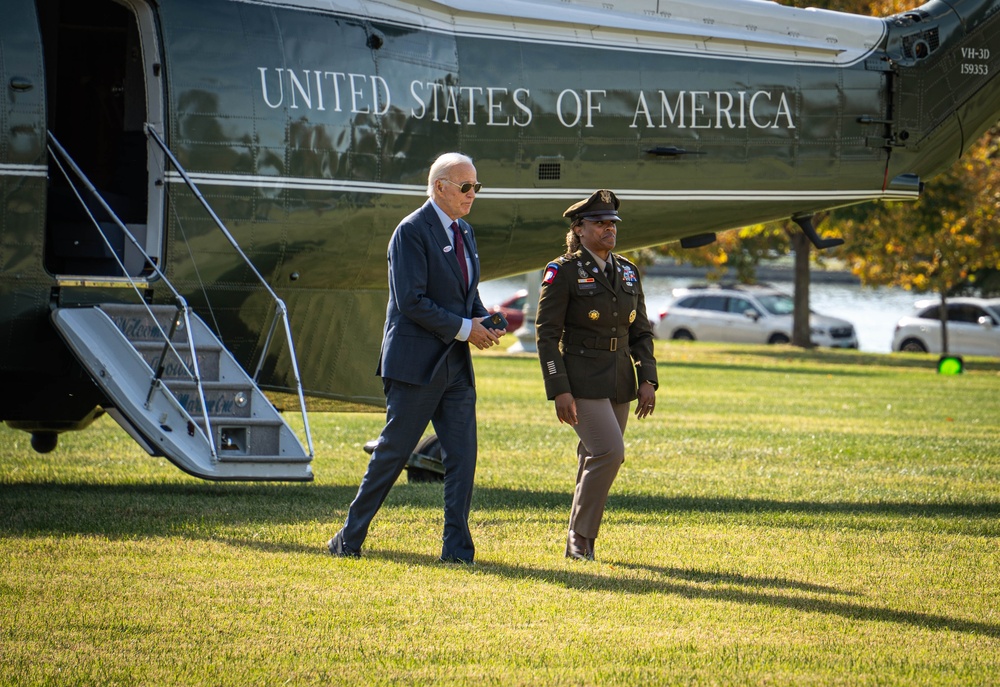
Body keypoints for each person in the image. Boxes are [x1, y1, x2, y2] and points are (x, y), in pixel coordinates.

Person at [327, 152, 504, 564]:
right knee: (393, 453)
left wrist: (482, 318)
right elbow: (412, 301)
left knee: (462, 456)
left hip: (455, 364)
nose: (472, 193)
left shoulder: (466, 232)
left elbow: (466, 294)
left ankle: (457, 551)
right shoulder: (410, 231)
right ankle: (348, 539)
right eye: (465, 186)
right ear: (439, 186)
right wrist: (466, 328)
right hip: (415, 363)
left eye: (476, 186)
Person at [535, 189, 658, 562]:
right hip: (581, 378)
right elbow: (546, 335)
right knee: (609, 452)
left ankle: (579, 539)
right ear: (579, 228)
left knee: (594, 455)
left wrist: (648, 379)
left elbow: (641, 331)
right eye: (599, 223)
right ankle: (580, 538)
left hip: (619, 378)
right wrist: (559, 389)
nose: (609, 229)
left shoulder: (627, 270)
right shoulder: (563, 271)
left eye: (612, 223)